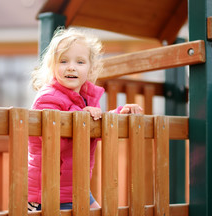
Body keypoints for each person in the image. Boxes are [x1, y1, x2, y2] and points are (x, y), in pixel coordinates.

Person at [28, 28, 143, 211]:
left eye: (80, 62)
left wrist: (119, 114)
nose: (71, 66)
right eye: (63, 61)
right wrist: (83, 115)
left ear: (90, 68)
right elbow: (55, 143)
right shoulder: (47, 98)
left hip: (75, 186)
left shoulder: (82, 98)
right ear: (52, 67)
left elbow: (95, 128)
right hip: (49, 191)